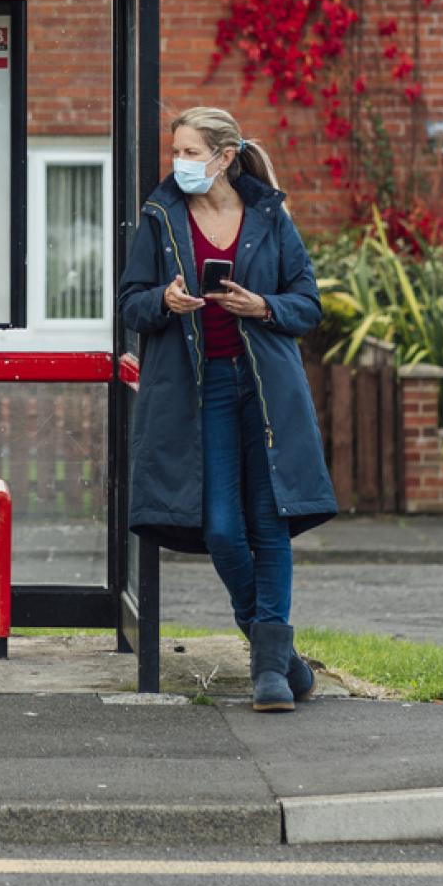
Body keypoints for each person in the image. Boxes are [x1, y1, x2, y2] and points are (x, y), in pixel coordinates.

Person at [117, 106, 337, 712]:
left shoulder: (269, 216)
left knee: (270, 524)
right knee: (219, 526)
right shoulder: (161, 217)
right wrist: (163, 298)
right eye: (176, 152)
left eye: (190, 152)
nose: (179, 164)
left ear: (224, 157)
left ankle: (268, 671)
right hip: (198, 390)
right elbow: (130, 303)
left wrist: (262, 306)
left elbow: (308, 304)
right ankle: (282, 656)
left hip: (266, 388)